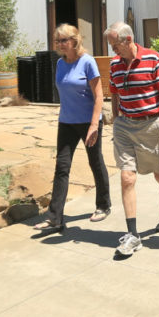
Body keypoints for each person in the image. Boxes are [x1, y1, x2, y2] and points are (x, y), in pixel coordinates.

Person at [105, 21, 159, 256]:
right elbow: (115, 93)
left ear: (128, 40)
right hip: (125, 127)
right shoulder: (115, 65)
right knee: (127, 178)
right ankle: (133, 235)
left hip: (151, 126)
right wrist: (117, 119)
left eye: (114, 45)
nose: (112, 50)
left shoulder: (153, 59)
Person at [33, 24, 111, 232]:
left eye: (63, 40)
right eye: (57, 40)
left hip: (88, 122)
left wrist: (95, 124)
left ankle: (103, 205)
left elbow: (99, 96)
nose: (59, 44)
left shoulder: (88, 62)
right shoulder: (60, 63)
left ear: (74, 40)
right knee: (62, 167)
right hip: (66, 121)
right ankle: (55, 217)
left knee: (95, 161)